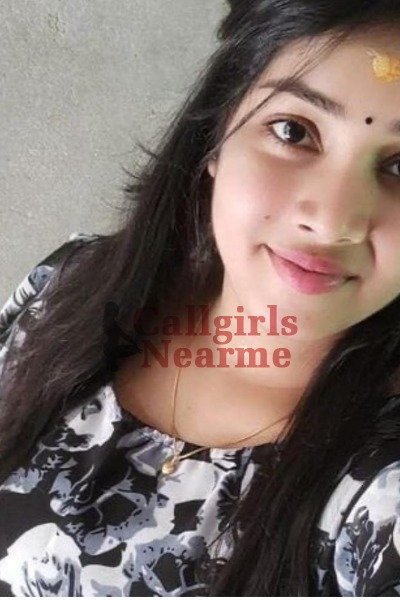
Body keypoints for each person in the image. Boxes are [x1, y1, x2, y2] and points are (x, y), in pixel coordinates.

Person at [2, 0, 400, 595]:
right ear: (216, 134)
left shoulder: (382, 494)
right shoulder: (68, 282)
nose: (331, 220)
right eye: (294, 132)